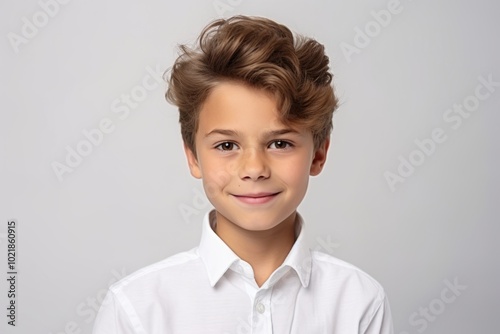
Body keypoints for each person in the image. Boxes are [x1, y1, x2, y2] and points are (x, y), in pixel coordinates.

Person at [93, 15, 394, 333]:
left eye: (280, 143)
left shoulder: (359, 302)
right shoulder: (136, 308)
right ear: (193, 157)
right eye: (226, 145)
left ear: (318, 154)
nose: (254, 169)